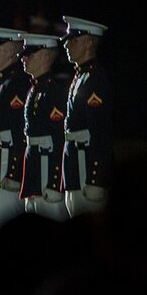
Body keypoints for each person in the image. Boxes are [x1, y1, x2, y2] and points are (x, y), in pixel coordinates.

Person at [60, 15, 114, 217]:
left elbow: (100, 131)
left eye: (74, 40)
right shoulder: (81, 75)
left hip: (86, 165)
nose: (67, 45)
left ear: (90, 42)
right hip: (75, 164)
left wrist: (96, 178)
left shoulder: (95, 79)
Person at [18, 32, 70, 222]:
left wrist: (55, 182)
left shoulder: (52, 91)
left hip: (47, 172)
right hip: (36, 169)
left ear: (46, 56)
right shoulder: (36, 89)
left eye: (30, 53)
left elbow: (59, 139)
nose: (24, 58)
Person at [0, 26, 30, 236]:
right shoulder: (4, 81)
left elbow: (19, 131)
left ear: (12, 52)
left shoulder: (16, 83)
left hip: (7, 164)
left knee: (9, 224)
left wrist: (13, 171)